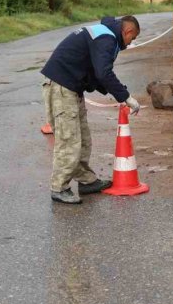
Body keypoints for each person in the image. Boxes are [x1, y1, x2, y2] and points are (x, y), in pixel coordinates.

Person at [41, 15, 141, 204]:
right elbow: (103, 73)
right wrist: (125, 97)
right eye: (132, 38)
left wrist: (119, 93)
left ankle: (86, 181)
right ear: (127, 31)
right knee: (69, 140)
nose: (130, 43)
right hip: (61, 87)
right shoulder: (107, 38)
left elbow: (97, 73)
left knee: (83, 139)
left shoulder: (105, 35)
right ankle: (59, 187)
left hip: (72, 87)